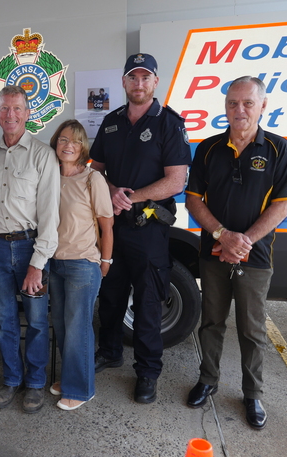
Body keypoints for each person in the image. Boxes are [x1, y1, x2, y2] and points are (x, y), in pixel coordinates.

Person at [185, 76, 287, 430]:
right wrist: (223, 236)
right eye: (233, 103)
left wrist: (243, 241)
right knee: (211, 323)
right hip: (213, 253)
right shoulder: (208, 148)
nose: (240, 110)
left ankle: (253, 394)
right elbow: (193, 200)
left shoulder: (279, 149)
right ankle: (208, 379)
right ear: (225, 106)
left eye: (248, 103)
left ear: (263, 106)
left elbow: (282, 206)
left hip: (256, 256)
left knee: (252, 330)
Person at [90, 53, 191, 404]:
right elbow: (95, 169)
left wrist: (132, 197)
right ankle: (110, 351)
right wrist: (111, 191)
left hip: (148, 226)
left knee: (148, 301)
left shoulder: (169, 124)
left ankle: (147, 372)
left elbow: (176, 181)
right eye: (133, 77)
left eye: (145, 77)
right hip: (112, 226)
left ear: (155, 82)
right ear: (123, 82)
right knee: (111, 292)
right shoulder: (111, 121)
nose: (139, 83)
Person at [0, 85, 60, 414]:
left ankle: (36, 382)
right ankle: (12, 379)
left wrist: (38, 263)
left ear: (28, 113)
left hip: (31, 249)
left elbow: (50, 215)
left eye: (17, 108)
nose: (10, 114)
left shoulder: (43, 155)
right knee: (3, 321)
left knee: (38, 321)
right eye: (4, 108)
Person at [48, 120, 113, 411]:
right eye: (63, 139)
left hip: (82, 264)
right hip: (54, 262)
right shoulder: (49, 175)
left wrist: (105, 261)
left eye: (75, 141)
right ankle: (72, 378)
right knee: (63, 326)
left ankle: (81, 389)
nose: (68, 145)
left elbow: (107, 225)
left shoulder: (92, 179)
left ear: (83, 146)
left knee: (78, 328)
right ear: (56, 142)